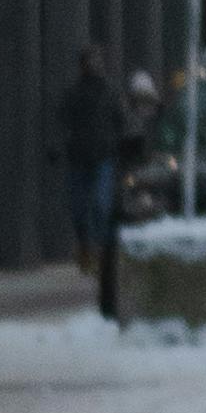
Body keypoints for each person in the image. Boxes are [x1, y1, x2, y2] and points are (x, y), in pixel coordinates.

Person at [54, 42, 119, 272]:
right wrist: (59, 147)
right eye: (90, 62)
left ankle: (102, 252)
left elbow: (121, 120)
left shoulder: (109, 92)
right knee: (79, 209)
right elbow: (62, 122)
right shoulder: (73, 94)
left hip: (102, 156)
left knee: (101, 205)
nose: (94, 66)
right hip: (79, 157)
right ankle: (85, 248)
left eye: (97, 62)